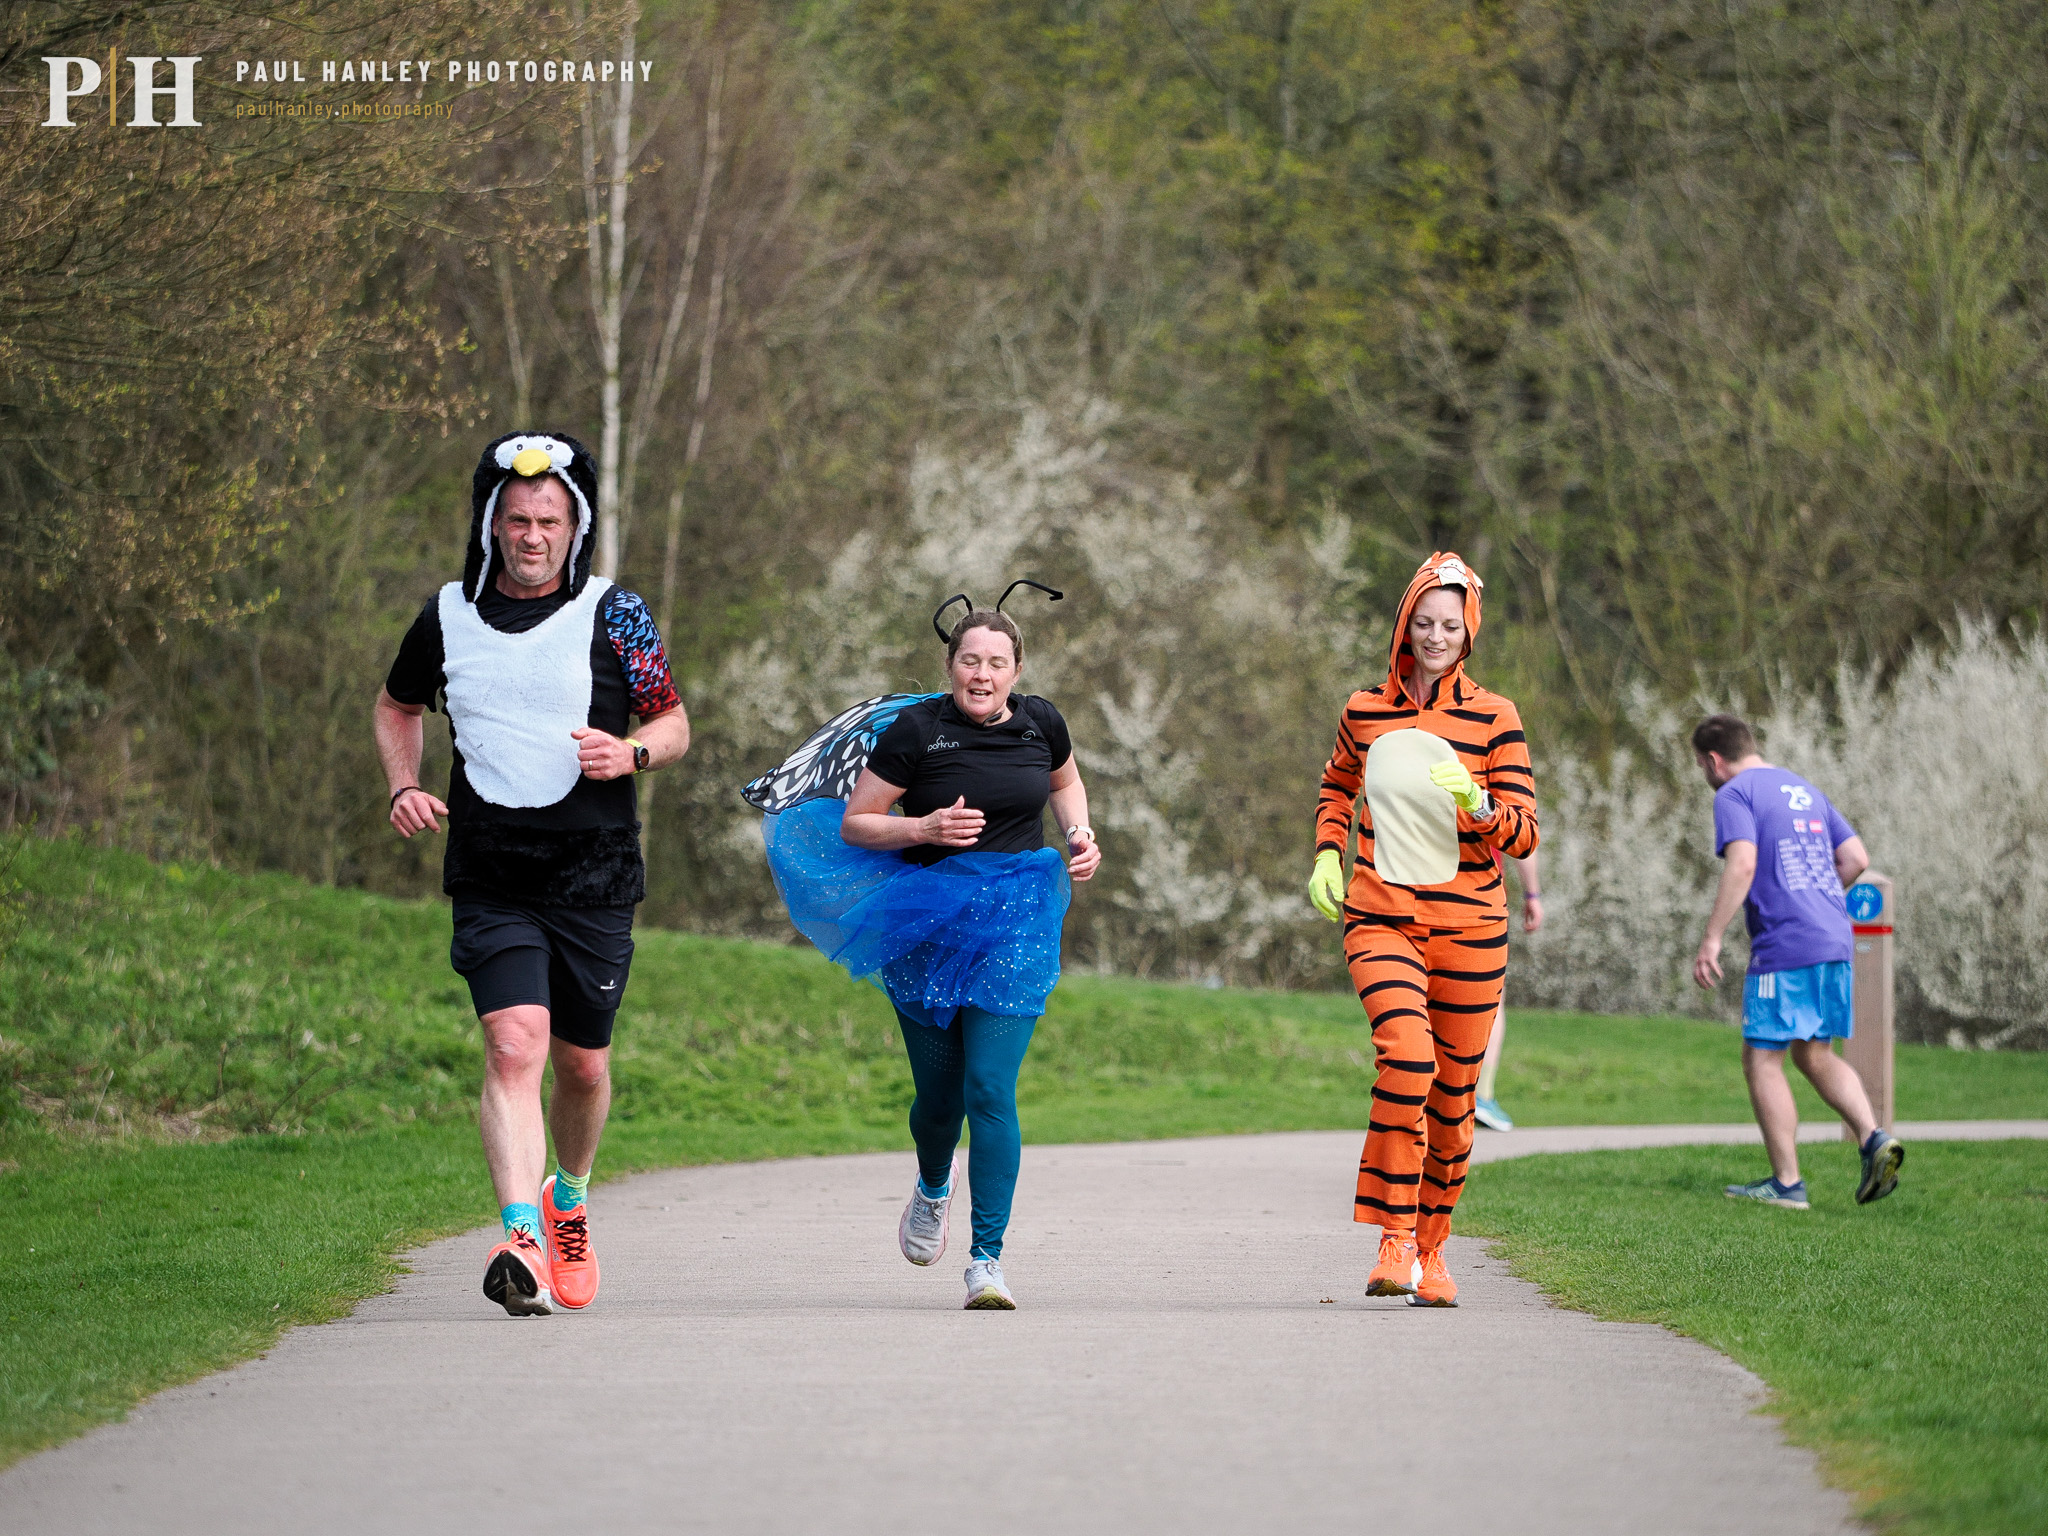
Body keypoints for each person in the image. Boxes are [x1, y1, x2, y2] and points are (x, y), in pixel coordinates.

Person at [374, 431, 689, 1316]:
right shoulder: (446, 617)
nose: (532, 535)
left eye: (549, 520)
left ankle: (569, 1197)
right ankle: (519, 1238)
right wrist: (403, 783)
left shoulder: (617, 613)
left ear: (574, 525)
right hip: (491, 870)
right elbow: (397, 704)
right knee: (515, 1043)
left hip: (593, 875)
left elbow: (673, 723)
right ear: (492, 524)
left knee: (583, 1068)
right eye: (516, 520)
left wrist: (630, 753)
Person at [751, 590, 1099, 1310]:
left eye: (997, 662)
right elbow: (856, 824)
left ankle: (987, 1260)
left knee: (988, 1092)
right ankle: (933, 1185)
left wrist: (1078, 835)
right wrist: (924, 830)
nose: (983, 673)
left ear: (1016, 669)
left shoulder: (1043, 723)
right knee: (939, 1102)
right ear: (950, 666)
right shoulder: (917, 730)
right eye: (970, 660)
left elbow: (1066, 783)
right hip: (929, 921)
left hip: (1015, 920)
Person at [1308, 552, 1539, 1307]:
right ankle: (1393, 1237)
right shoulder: (1364, 709)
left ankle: (1434, 1249)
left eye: (1450, 625)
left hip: (1471, 925)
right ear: (1403, 622)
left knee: (1453, 1101)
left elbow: (1526, 833)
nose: (1435, 636)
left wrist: (1479, 804)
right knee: (1407, 1064)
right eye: (1423, 622)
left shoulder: (1495, 716)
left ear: (1468, 633)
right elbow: (1338, 784)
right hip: (1379, 917)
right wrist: (1326, 853)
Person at [1690, 714, 1904, 1209]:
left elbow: (1742, 863)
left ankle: (1787, 1184)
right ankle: (1873, 1138)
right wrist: (1814, 892)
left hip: (1786, 943)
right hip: (1834, 936)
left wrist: (1712, 939)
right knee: (1814, 1053)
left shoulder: (1734, 795)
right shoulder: (1803, 788)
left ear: (1713, 760)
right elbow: (1855, 858)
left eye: (1701, 766)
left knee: (1761, 1058)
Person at [1473, 850, 1543, 1132]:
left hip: (1409, 893)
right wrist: (1532, 895)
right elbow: (1523, 843)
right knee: (1492, 998)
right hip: (1480, 896)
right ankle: (1481, 1095)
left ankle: (1431, 1090)